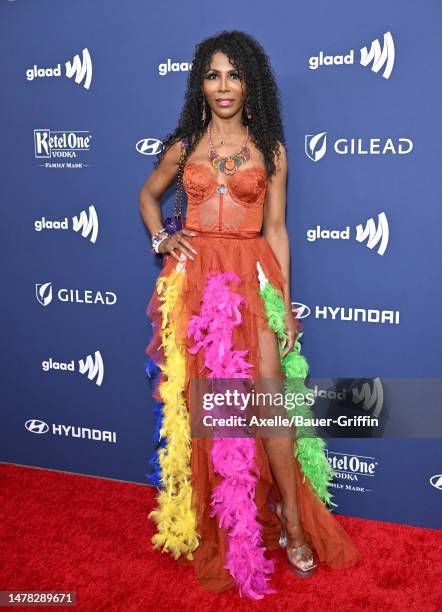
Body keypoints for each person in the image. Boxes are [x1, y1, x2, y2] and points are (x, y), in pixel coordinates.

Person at [139, 30, 360, 600]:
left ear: (250, 82)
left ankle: (290, 517)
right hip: (196, 287)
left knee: (268, 404)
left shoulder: (272, 149)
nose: (223, 86)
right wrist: (162, 237)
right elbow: (148, 194)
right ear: (201, 84)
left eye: (234, 74)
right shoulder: (186, 143)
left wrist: (285, 305)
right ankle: (230, 525)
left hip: (251, 276)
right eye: (213, 75)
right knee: (215, 411)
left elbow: (278, 230)